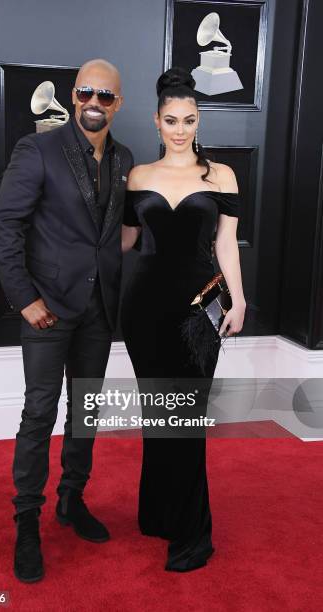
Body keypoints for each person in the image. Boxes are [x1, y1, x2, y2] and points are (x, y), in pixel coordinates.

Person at [0, 58, 134, 582]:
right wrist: (23, 297)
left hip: (99, 310)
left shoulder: (123, 158)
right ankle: (26, 520)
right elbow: (5, 226)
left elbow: (114, 230)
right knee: (39, 414)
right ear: (74, 96)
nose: (94, 102)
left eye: (106, 96)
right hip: (46, 308)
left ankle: (71, 501)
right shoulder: (38, 149)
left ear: (119, 103)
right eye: (86, 93)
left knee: (86, 412)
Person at [121, 67, 246, 572]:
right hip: (144, 309)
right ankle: (159, 514)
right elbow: (126, 243)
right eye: (171, 120)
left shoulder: (221, 176)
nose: (180, 129)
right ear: (156, 121)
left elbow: (225, 245)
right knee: (160, 417)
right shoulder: (138, 177)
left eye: (189, 120)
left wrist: (238, 301)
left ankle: (192, 534)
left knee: (186, 420)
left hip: (199, 309)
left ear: (199, 121)